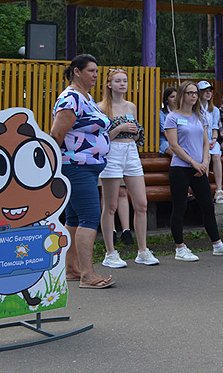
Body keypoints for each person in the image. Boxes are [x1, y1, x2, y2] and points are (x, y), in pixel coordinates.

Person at [49, 54, 114, 289]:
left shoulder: (85, 98)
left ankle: (72, 269)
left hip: (86, 167)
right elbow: (56, 134)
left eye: (97, 71)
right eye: (91, 71)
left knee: (75, 218)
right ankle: (88, 274)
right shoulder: (70, 98)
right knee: (90, 217)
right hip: (76, 166)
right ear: (76, 72)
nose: (95, 75)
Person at [164, 81, 223, 261]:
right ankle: (180, 247)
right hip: (180, 167)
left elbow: (206, 141)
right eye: (190, 93)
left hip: (199, 167)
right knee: (179, 207)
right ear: (182, 94)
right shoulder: (172, 117)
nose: (193, 96)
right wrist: (193, 162)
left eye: (195, 93)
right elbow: (174, 145)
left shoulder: (200, 116)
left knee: (207, 205)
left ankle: (217, 244)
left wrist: (204, 161)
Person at [97, 69, 159, 268]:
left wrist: (134, 133)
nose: (122, 84)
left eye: (124, 81)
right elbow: (100, 138)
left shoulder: (131, 106)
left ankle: (142, 250)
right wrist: (120, 129)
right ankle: (110, 252)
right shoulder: (101, 107)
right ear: (109, 84)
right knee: (111, 205)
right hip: (112, 153)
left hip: (130, 151)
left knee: (141, 203)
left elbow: (135, 133)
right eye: (118, 81)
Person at [197, 80, 223, 203]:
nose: (208, 93)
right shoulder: (194, 109)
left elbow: (215, 128)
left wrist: (214, 139)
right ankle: (205, 188)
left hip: (211, 140)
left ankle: (219, 190)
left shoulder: (215, 110)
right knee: (206, 156)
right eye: (205, 91)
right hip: (199, 141)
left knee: (216, 157)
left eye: (210, 91)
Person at [158, 86, 177, 157]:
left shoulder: (181, 113)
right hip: (166, 141)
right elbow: (164, 131)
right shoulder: (161, 113)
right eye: (172, 97)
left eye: (177, 97)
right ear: (166, 100)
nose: (175, 99)